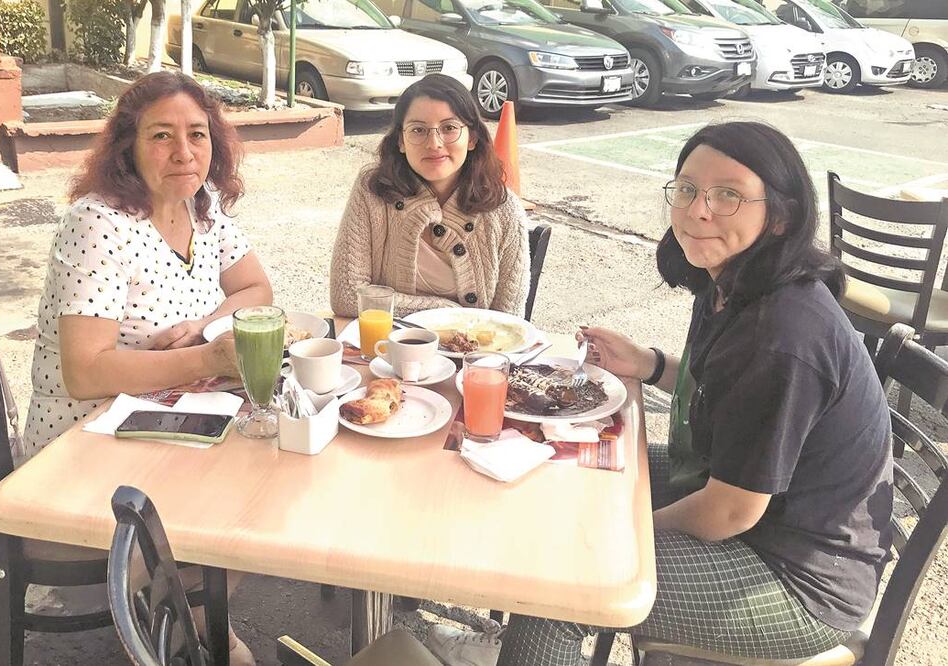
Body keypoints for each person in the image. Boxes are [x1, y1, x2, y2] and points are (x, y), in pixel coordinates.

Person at [428, 122, 894, 665]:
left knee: (563, 574)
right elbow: (730, 396)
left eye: (728, 195)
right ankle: (522, 650)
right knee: (562, 464)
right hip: (737, 494)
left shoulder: (785, 335)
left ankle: (533, 643)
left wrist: (619, 525)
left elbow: (729, 513)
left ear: (781, 216)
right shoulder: (730, 281)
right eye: (688, 189)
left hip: (797, 579)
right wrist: (649, 366)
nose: (699, 210)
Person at [24, 71, 271, 665]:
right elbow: (85, 372)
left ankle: (197, 619)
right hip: (83, 444)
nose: (184, 153)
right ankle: (192, 632)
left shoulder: (202, 210)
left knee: (265, 472)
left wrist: (208, 322)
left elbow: (257, 287)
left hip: (162, 419)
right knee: (240, 496)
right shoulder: (98, 222)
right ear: (128, 150)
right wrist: (209, 357)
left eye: (198, 134)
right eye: (162, 136)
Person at [329, 74, 530, 319]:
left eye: (449, 128)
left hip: (475, 356)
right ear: (401, 141)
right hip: (389, 350)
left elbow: (510, 323)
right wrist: (443, 311)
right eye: (418, 130)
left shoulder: (505, 210)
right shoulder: (372, 189)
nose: (434, 143)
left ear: (473, 138)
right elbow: (347, 295)